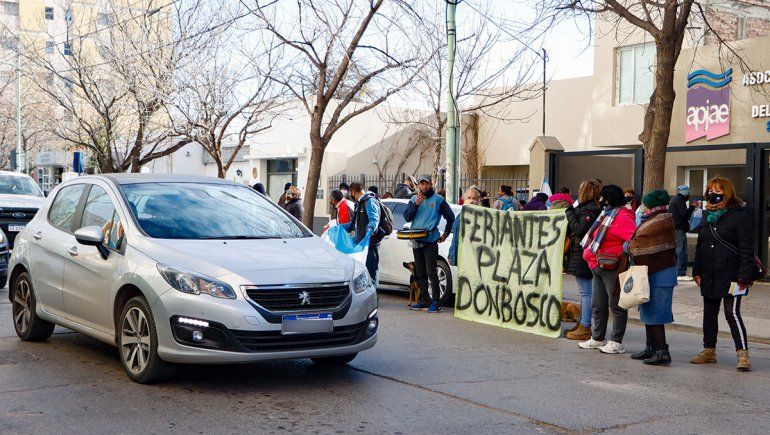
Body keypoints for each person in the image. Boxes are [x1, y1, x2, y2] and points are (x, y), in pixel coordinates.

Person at [691, 176, 754, 371]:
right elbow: (701, 245)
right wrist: (697, 270)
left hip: (733, 275)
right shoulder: (706, 215)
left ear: (727, 193)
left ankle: (742, 353)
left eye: (718, 192)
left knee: (732, 313)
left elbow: (747, 249)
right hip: (709, 273)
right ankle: (709, 350)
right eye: (710, 191)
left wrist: (744, 275)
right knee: (709, 314)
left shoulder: (739, 215)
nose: (713, 195)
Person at [578, 185, 636, 354]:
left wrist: (618, 254)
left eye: (603, 197)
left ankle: (616, 341)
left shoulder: (623, 216)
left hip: (612, 267)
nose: (600, 200)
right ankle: (598, 338)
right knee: (598, 304)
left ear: (609, 198)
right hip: (597, 265)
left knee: (616, 305)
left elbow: (632, 240)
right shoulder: (606, 214)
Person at [626, 190, 677, 366]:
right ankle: (651, 347)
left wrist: (629, 245)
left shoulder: (661, 221)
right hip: (650, 273)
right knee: (648, 313)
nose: (643, 208)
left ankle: (663, 351)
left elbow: (641, 245)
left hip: (661, 275)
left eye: (646, 205)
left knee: (656, 314)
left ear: (653, 205)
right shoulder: (653, 219)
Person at [405, 175, 455, 313]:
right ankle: (424, 300)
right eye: (422, 184)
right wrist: (416, 205)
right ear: (418, 185)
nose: (424, 186)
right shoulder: (414, 199)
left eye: (426, 184)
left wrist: (445, 234)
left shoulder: (438, 200)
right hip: (416, 240)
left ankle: (436, 303)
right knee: (420, 272)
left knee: (431, 271)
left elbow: (450, 217)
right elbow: (407, 217)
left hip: (430, 240)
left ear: (431, 184)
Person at [563, 179, 602, 341]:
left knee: (586, 293)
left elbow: (579, 228)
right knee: (585, 292)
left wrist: (570, 212)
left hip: (583, 254)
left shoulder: (590, 209)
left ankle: (585, 325)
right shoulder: (590, 208)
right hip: (582, 253)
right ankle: (582, 324)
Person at [340, 183, 382, 286]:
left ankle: (374, 297)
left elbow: (374, 219)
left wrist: (369, 232)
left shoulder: (370, 201)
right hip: (362, 245)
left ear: (353, 192)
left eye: (351, 193)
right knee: (364, 274)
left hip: (370, 244)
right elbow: (355, 223)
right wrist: (341, 227)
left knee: (371, 273)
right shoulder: (360, 203)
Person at [668, 185, 700, 281]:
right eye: (688, 194)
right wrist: (692, 207)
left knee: (680, 250)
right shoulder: (679, 200)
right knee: (681, 250)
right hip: (678, 229)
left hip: (676, 228)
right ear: (686, 193)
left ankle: (679, 271)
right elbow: (684, 214)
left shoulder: (675, 200)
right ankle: (680, 272)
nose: (689, 196)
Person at [448, 186, 481, 267]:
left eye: (474, 198)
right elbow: (455, 238)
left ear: (478, 201)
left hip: (472, 260)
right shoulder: (460, 216)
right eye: (469, 198)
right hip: (462, 259)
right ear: (464, 200)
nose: (471, 201)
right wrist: (451, 255)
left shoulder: (481, 218)